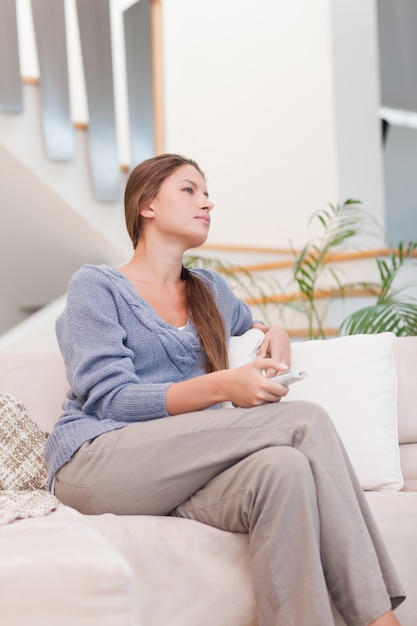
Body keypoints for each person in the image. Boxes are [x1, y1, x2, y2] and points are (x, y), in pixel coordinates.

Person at [44, 153, 405, 626]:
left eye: (208, 193)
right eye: (190, 190)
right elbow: (112, 399)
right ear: (146, 205)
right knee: (305, 420)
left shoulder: (210, 290)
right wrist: (224, 384)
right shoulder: (96, 286)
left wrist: (275, 331)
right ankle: (380, 620)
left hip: (179, 471)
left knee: (284, 469)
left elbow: (248, 325)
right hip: (98, 462)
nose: (207, 202)